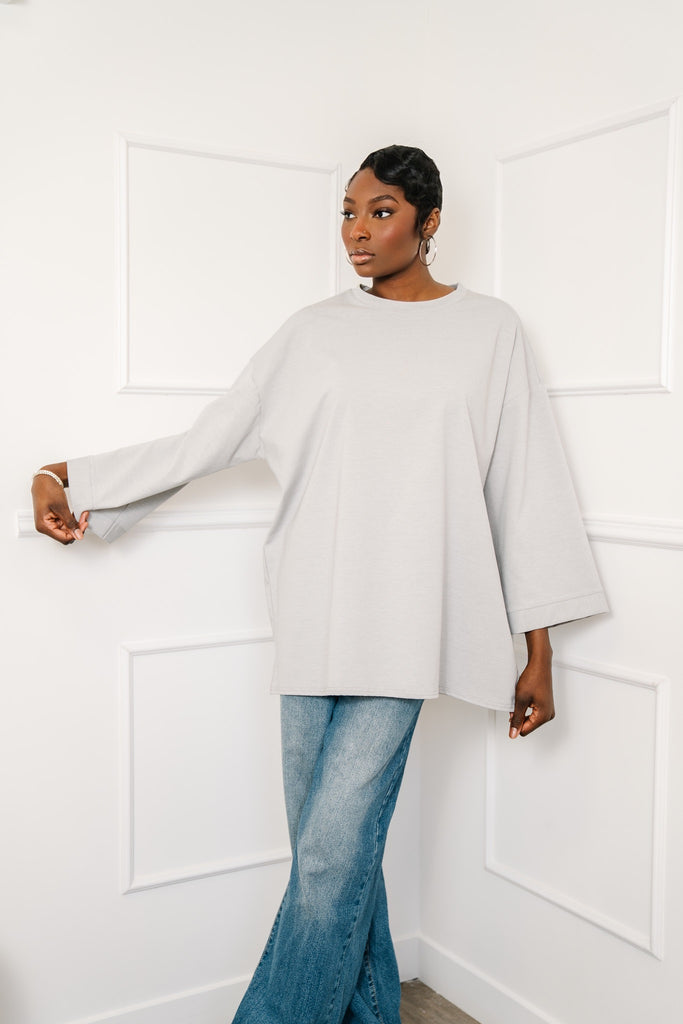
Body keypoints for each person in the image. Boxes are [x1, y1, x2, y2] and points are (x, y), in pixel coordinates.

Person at [31, 145, 607, 1024]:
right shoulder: (311, 334)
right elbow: (209, 439)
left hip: (410, 627)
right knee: (328, 861)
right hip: (311, 616)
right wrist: (67, 477)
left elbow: (524, 488)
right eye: (347, 211)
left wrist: (539, 647)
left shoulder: (490, 332)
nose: (356, 231)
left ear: (429, 221)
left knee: (332, 854)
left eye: (380, 211)